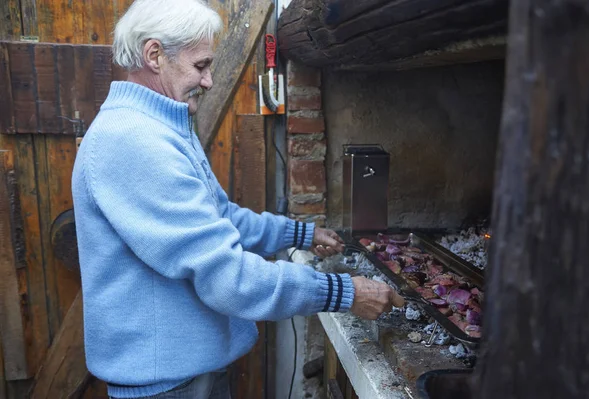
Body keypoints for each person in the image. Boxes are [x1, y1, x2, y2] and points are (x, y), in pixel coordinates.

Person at [71, 0, 404, 398]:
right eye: (201, 65)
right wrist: (342, 292)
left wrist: (297, 232)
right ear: (154, 55)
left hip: (189, 372)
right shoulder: (133, 141)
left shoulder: (162, 127)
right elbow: (228, 277)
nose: (209, 80)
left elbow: (220, 216)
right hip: (165, 386)